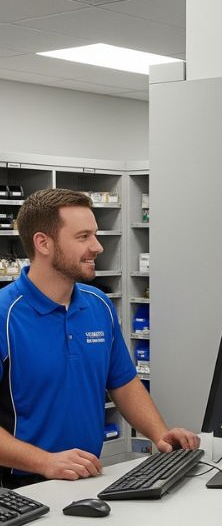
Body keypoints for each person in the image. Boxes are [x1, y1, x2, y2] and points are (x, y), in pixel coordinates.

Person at [0, 188, 199, 486]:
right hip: (22, 486)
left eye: (95, 234)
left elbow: (123, 383)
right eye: (83, 237)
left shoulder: (98, 304)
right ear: (43, 243)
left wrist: (160, 435)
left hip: (87, 474)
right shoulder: (5, 314)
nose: (97, 246)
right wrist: (46, 462)